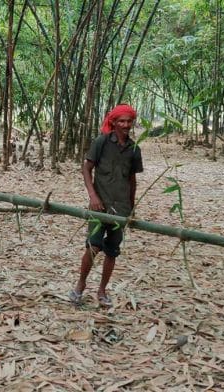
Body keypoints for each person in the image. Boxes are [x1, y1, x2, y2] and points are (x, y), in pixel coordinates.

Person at [69, 104, 143, 308]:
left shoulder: (134, 149)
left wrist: (132, 206)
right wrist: (92, 195)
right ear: (114, 122)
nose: (125, 125)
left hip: (121, 208)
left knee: (112, 251)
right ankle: (80, 285)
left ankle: (102, 290)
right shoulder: (101, 142)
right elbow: (86, 168)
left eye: (129, 121)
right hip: (99, 205)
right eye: (122, 121)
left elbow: (132, 180)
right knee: (93, 246)